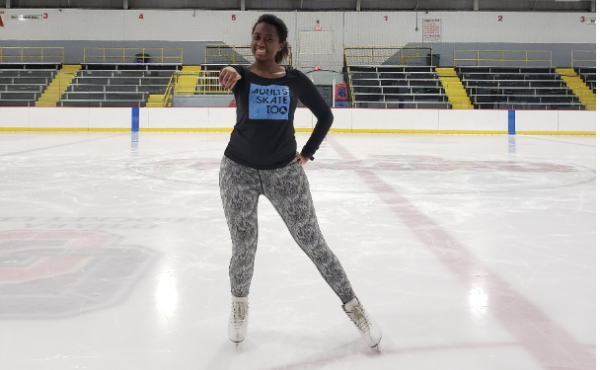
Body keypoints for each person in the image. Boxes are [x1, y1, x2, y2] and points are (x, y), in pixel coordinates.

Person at [218, 14, 382, 349]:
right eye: (256, 37)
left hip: (285, 175)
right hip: (238, 172)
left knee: (314, 244)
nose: (260, 44)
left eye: (267, 39)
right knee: (244, 246)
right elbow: (231, 73)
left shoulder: (295, 80)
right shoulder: (242, 76)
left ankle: (355, 309)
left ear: (280, 45)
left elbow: (326, 116)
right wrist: (232, 71)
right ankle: (239, 305)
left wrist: (307, 153)